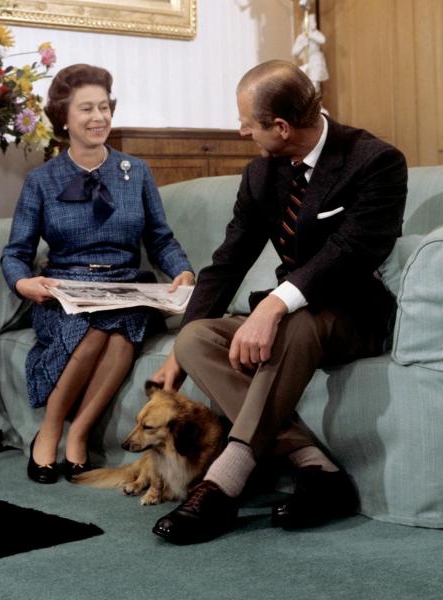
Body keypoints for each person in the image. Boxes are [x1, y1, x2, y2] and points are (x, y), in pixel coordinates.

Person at [149, 60, 407, 544]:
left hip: (355, 312)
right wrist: (177, 353)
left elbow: (350, 252)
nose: (242, 130)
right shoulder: (261, 175)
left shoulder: (374, 161)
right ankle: (315, 467)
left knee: (291, 324)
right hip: (294, 314)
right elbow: (228, 261)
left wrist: (272, 307)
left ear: (282, 127)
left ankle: (223, 485)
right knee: (197, 337)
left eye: (248, 121)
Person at [2, 64, 195, 485]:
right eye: (86, 109)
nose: (98, 118)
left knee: (123, 328)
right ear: (64, 118)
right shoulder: (42, 180)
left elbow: (161, 239)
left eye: (104, 107)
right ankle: (49, 433)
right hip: (66, 289)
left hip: (126, 284)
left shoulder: (136, 172)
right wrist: (24, 282)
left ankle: (80, 434)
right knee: (93, 331)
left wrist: (182, 271)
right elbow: (15, 252)